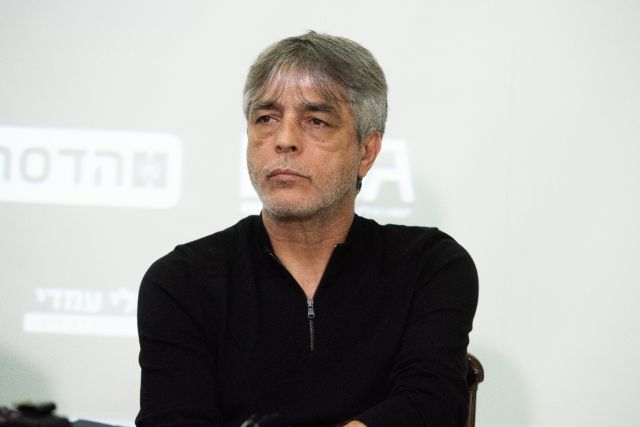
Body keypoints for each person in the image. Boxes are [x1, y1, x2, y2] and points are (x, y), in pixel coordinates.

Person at [136, 31, 478, 427]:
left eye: (316, 121)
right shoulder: (182, 281)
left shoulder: (429, 266)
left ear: (366, 152)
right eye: (266, 119)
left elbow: (431, 406)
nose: (284, 140)